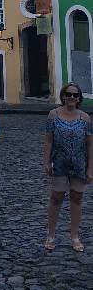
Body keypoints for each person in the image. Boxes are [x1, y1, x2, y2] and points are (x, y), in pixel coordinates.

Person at [44, 82, 93, 252]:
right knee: (56, 197)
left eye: (75, 95)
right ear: (63, 96)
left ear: (79, 98)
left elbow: (90, 146)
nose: (72, 97)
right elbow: (48, 140)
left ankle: (74, 236)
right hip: (59, 163)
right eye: (69, 94)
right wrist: (46, 161)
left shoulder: (85, 118)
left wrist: (90, 168)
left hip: (79, 164)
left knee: (77, 198)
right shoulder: (53, 115)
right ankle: (51, 235)